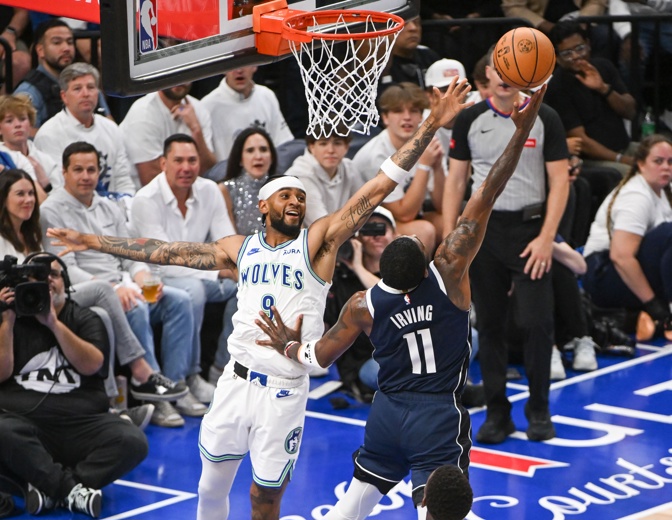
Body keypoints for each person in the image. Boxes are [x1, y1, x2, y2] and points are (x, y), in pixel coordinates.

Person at [46, 77, 474, 520]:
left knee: (263, 498)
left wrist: (431, 125)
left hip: (284, 389)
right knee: (209, 487)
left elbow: (380, 186)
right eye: (286, 195)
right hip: (236, 381)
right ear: (264, 206)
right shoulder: (239, 248)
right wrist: (91, 241)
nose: (296, 202)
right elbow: (162, 250)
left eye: (301, 197)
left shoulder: (318, 243)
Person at [253, 86, 546, 520]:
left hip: (387, 415)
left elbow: (318, 357)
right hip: (437, 416)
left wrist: (288, 345)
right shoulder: (448, 275)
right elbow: (485, 194)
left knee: (352, 506)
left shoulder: (362, 304)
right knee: (440, 512)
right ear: (425, 265)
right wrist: (519, 133)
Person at [444, 46, 570, 444]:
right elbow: (456, 181)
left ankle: (539, 409)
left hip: (531, 230)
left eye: (509, 70)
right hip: (485, 230)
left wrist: (547, 237)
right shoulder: (470, 118)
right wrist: (451, 239)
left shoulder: (545, 116)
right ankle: (498, 413)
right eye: (496, 70)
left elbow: (560, 181)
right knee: (490, 324)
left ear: (521, 75)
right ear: (486, 75)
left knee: (537, 323)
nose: (502, 77)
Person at [39, 142, 199, 427]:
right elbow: (64, 269)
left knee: (179, 300)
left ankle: (175, 386)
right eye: (78, 170)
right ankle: (154, 396)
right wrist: (114, 289)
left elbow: (129, 256)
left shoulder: (109, 207)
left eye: (91, 170)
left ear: (99, 173)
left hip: (123, 284)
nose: (86, 176)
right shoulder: (51, 210)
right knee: (135, 306)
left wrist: (142, 277)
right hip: (88, 290)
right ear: (64, 172)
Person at [0, 168, 187, 406]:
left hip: (45, 298)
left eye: (30, 194)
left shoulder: (32, 233)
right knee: (103, 290)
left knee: (101, 315)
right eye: (20, 194)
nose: (28, 200)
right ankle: (140, 371)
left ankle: (108, 400)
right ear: (3, 198)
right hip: (15, 306)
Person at [0, 255, 148, 518]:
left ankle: (48, 488)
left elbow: (92, 365)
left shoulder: (86, 317)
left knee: (132, 441)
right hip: (25, 426)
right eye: (37, 276)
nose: (47, 281)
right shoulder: (8, 320)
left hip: (82, 425)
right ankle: (71, 491)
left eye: (53, 275)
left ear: (65, 283)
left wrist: (53, 324)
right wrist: (7, 323)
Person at [130, 133, 236, 398]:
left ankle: (222, 367)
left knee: (247, 286)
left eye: (192, 160)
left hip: (201, 273)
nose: (186, 168)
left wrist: (237, 266)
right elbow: (165, 260)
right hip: (157, 278)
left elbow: (227, 241)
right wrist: (219, 270)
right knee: (193, 291)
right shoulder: (146, 199)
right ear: (163, 163)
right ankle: (187, 378)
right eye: (178, 160)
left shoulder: (210, 190)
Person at [582, 134, 672, 341]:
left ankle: (636, 319)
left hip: (627, 270)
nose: (666, 167)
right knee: (669, 233)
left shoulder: (663, 191)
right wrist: (655, 305)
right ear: (640, 164)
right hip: (602, 274)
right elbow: (621, 257)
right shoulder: (636, 196)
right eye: (658, 161)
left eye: (670, 162)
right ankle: (660, 316)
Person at [353, 82, 444, 251]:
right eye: (398, 111)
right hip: (369, 226)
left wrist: (437, 166)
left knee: (456, 224)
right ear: (385, 118)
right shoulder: (375, 155)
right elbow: (404, 214)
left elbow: (442, 206)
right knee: (424, 231)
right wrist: (424, 166)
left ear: (421, 117)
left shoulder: (427, 143)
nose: (407, 117)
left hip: (408, 216)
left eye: (413, 111)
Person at [546, 22, 638, 176]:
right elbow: (581, 142)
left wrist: (603, 88)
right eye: (567, 53)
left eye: (579, 48)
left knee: (663, 153)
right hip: (592, 160)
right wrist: (621, 159)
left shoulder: (604, 66)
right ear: (557, 58)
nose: (576, 56)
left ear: (588, 44)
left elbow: (630, 111)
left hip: (625, 147)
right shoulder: (557, 87)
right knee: (633, 173)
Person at [34, 62, 135, 197]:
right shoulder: (49, 134)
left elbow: (124, 180)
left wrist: (125, 204)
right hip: (70, 207)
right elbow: (58, 188)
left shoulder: (111, 128)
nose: (86, 94)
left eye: (91, 87)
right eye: (77, 89)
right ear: (64, 96)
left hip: (113, 206)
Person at [14, 19, 111, 130]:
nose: (66, 48)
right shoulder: (29, 91)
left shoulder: (87, 83)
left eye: (70, 42)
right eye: (57, 43)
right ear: (40, 50)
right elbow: (24, 133)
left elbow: (109, 124)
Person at [119, 83, 217, 186]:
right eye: (173, 75)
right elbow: (150, 178)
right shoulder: (143, 113)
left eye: (183, 75)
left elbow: (209, 171)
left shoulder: (198, 109)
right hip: (141, 192)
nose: (179, 81)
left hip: (189, 190)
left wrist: (196, 130)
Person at [200, 66, 294, 162]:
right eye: (233, 65)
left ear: (255, 66)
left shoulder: (266, 96)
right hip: (227, 171)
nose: (239, 70)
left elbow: (284, 144)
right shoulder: (207, 106)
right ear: (223, 69)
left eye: (243, 64)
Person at [284, 130, 364, 226]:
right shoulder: (301, 174)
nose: (331, 150)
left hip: (338, 229)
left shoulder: (349, 167)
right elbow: (321, 225)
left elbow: (364, 206)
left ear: (346, 147)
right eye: (323, 143)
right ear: (312, 147)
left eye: (337, 143)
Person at [218, 127, 278, 236]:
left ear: (272, 157)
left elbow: (297, 234)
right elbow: (228, 238)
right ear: (240, 159)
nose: (258, 156)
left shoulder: (284, 188)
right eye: (250, 150)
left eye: (263, 149)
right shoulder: (225, 190)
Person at [0, 93, 62, 191]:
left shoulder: (45, 160)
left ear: (30, 123)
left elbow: (60, 196)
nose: (18, 125)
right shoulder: (1, 158)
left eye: (22, 119)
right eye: (9, 121)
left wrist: (46, 184)